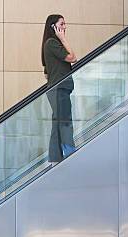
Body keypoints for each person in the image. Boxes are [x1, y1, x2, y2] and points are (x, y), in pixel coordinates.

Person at [42, 14, 78, 163]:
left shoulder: (50, 44)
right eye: (61, 24)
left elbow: (46, 73)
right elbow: (72, 58)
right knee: (64, 121)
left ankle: (55, 158)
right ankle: (70, 153)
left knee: (58, 123)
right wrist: (63, 38)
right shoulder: (52, 43)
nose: (65, 27)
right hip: (59, 88)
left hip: (57, 88)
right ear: (54, 27)